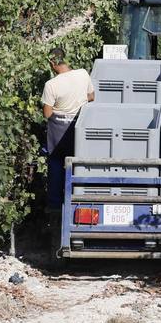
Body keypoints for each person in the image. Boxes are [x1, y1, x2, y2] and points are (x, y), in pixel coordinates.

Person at [41, 47, 95, 208]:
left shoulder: (51, 85)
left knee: (56, 163)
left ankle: (56, 205)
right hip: (80, 127)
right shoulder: (83, 74)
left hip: (59, 129)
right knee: (79, 163)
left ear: (52, 62)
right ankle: (80, 199)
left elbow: (47, 113)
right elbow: (92, 96)